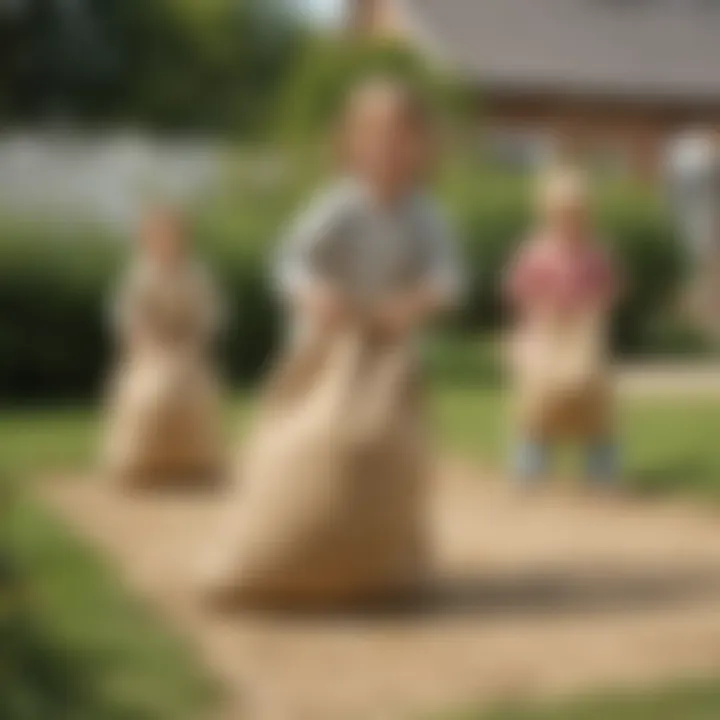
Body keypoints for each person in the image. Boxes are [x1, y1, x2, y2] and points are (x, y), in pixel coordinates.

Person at [200, 77, 462, 607]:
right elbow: (287, 263)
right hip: (323, 350)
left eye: (401, 136)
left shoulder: (427, 214)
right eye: (376, 136)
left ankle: (395, 556)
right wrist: (313, 293)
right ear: (353, 145)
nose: (389, 148)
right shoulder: (337, 206)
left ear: (421, 146)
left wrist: (417, 303)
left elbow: (450, 277)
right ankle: (270, 539)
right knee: (295, 437)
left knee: (401, 449)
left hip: (391, 355)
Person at [504, 167, 621, 487]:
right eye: (563, 213)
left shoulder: (596, 254)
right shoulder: (536, 252)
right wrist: (544, 308)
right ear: (548, 213)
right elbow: (520, 291)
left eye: (578, 213)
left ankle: (602, 468)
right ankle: (530, 466)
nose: (571, 220)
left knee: (596, 399)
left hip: (583, 336)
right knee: (537, 401)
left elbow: (609, 290)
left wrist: (593, 309)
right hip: (545, 335)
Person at [104, 204, 224, 487]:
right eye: (160, 234)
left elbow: (209, 315)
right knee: (149, 394)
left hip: (188, 350)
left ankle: (197, 464)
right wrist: (149, 346)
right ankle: (136, 465)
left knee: (197, 392)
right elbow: (129, 317)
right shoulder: (139, 274)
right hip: (150, 350)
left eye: (172, 234)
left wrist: (191, 344)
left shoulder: (196, 273)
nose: (167, 240)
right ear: (148, 238)